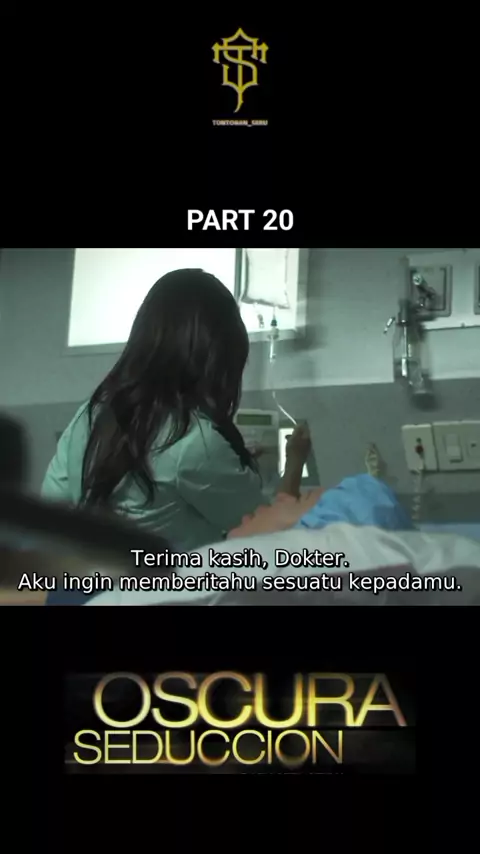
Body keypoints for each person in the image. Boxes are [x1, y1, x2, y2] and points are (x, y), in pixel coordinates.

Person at [41, 269, 310, 558]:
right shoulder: (195, 442)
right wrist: (295, 462)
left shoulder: (90, 414)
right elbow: (271, 536)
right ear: (220, 357)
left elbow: (54, 507)